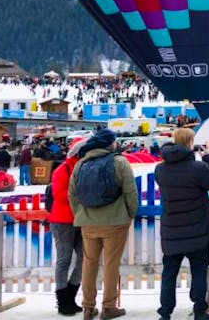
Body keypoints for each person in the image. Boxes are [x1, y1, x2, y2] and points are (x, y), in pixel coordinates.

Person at [69, 129, 139, 320]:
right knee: (111, 264)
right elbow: (130, 193)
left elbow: (72, 195)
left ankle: (88, 307)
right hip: (115, 222)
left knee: (89, 264)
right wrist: (129, 214)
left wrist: (81, 215)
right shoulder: (120, 162)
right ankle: (109, 306)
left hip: (88, 223)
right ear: (110, 144)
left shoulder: (80, 164)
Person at [154, 128, 209, 320]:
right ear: (190, 143)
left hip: (172, 230)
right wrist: (207, 158)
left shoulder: (160, 169)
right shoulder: (198, 168)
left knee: (169, 273)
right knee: (199, 269)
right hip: (197, 228)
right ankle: (200, 310)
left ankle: (165, 312)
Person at [48, 135, 91, 316]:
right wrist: (82, 195)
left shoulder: (86, 168)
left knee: (83, 258)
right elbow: (59, 194)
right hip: (63, 221)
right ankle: (63, 298)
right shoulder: (62, 170)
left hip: (81, 220)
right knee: (64, 259)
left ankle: (70, 296)